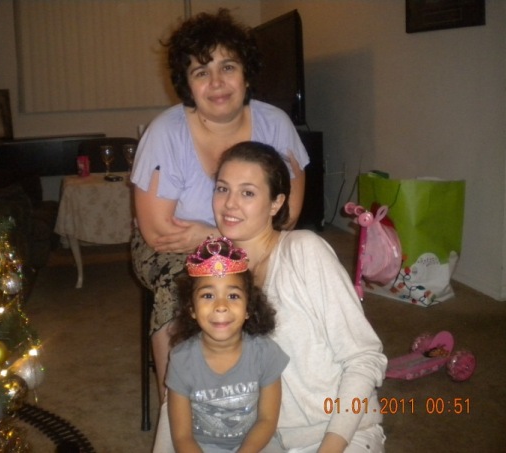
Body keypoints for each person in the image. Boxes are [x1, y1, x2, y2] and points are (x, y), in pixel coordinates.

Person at [130, 8, 310, 403]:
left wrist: (213, 235)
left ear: (246, 73)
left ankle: (288, 388)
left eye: (227, 67)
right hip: (172, 246)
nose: (216, 83)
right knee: (187, 286)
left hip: (255, 237)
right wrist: (215, 244)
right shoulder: (166, 133)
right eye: (201, 72)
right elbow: (159, 233)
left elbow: (288, 215)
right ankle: (177, 408)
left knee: (297, 274)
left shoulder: (276, 125)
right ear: (187, 84)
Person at [210, 141, 387, 453]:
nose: (229, 204)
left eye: (248, 193)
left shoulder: (304, 251)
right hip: (263, 435)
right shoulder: (218, 273)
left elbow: (364, 358)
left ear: (276, 203)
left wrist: (330, 447)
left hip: (336, 433)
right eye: (222, 189)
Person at [167, 236, 289, 453]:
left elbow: (267, 420)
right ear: (191, 309)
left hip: (256, 444)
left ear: (248, 308)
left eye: (233, 296)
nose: (221, 306)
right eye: (208, 295)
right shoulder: (180, 360)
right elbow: (182, 436)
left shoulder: (266, 353)